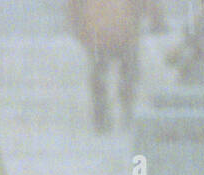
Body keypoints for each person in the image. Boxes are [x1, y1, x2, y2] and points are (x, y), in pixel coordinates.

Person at [67, 0, 165, 134]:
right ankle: (126, 112)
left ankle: (102, 117)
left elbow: (75, 6)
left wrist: (78, 27)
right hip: (126, 31)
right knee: (128, 73)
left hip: (98, 31)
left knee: (99, 75)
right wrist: (156, 19)